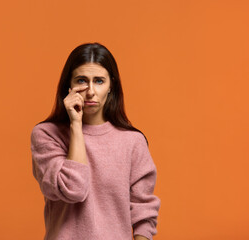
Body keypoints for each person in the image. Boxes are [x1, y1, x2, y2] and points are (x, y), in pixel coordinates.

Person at [30, 42, 160, 240]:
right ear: (69, 86)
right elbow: (74, 189)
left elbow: (144, 213)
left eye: (99, 81)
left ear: (111, 87)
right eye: (82, 80)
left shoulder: (132, 142)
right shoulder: (46, 135)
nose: (90, 91)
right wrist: (76, 125)